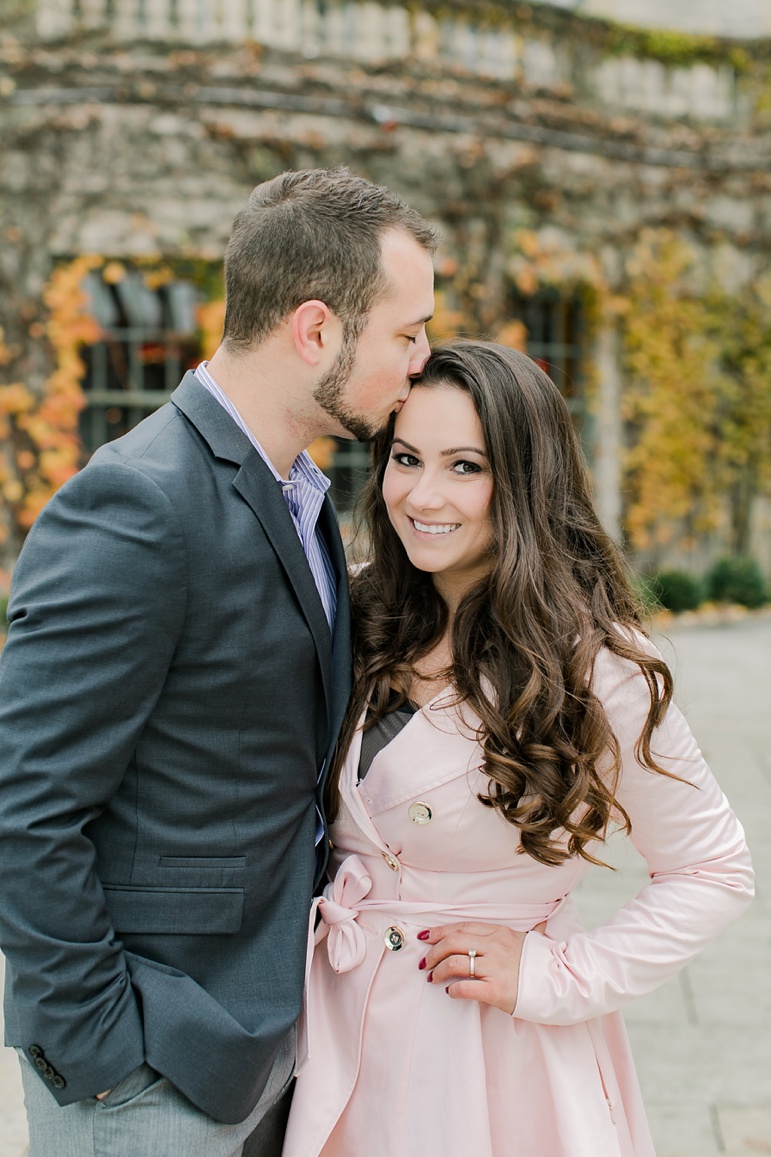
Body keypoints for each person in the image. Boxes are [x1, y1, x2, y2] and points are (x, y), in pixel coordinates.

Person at [0, 167, 436, 1157]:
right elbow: (22, 806)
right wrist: (108, 1053)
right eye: (406, 335)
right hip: (147, 1072)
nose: (420, 364)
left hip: (266, 1039)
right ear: (316, 329)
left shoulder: (302, 494)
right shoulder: (138, 503)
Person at [282, 340, 754, 1157]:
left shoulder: (595, 662)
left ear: (527, 481)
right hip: (332, 1030)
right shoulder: (355, 609)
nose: (422, 495)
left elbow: (712, 869)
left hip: (489, 1054)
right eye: (405, 458)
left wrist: (553, 975)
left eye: (465, 466)